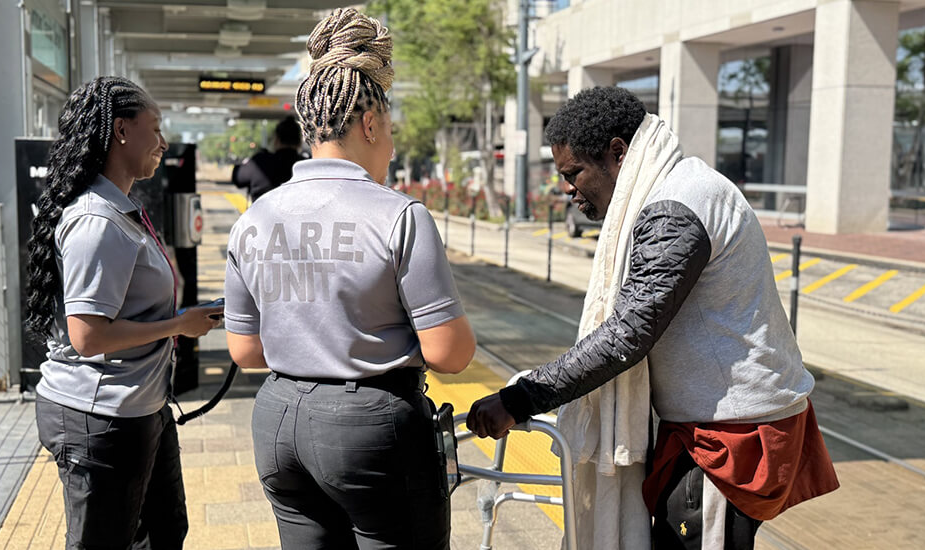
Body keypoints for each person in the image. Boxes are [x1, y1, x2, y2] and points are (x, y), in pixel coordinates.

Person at [467, 87, 839, 549]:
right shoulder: (683, 184)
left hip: (731, 436)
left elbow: (627, 333)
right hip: (717, 422)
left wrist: (519, 399)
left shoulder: (674, 208)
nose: (568, 190)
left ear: (617, 153)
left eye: (574, 173)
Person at [224, 8, 476, 549]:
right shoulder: (400, 215)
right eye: (390, 130)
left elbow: (244, 351)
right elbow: (450, 353)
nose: (391, 145)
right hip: (373, 428)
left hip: (277, 421)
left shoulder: (254, 219)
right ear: (370, 124)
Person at [25, 76, 223, 549]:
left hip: (140, 407)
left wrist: (184, 317)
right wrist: (179, 325)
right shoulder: (97, 220)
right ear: (121, 131)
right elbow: (88, 337)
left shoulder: (121, 210)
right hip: (100, 417)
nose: (163, 143)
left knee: (164, 533)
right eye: (155, 129)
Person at [231, 115, 307, 201]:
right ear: (300, 142)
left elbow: (237, 178)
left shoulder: (260, 162)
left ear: (276, 140)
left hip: (262, 210)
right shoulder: (305, 164)